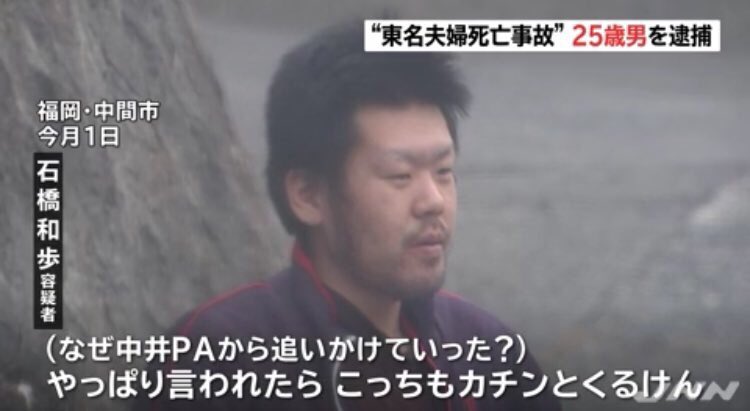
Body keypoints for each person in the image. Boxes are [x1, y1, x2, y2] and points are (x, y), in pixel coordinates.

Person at [142, 20, 561, 411]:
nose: (433, 200)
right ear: (308, 195)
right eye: (399, 175)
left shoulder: (489, 354)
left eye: (443, 171)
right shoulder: (217, 360)